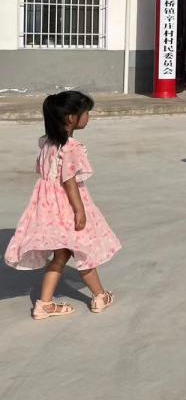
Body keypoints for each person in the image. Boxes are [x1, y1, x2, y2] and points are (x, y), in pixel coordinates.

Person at [4, 91, 121, 319]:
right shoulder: (71, 147)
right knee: (83, 251)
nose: (88, 117)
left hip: (49, 208)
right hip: (67, 206)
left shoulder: (47, 143)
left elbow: (44, 173)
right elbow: (69, 181)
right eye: (86, 113)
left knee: (61, 256)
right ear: (71, 118)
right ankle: (99, 297)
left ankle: (44, 304)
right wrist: (79, 210)